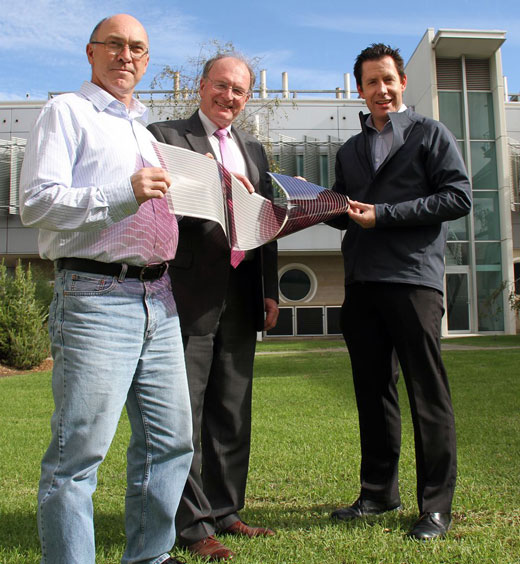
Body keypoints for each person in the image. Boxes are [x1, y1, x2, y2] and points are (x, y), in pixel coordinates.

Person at [19, 14, 192, 564]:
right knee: (79, 456)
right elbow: (37, 203)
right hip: (94, 296)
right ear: (90, 53)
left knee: (170, 443)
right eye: (114, 45)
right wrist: (124, 192)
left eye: (138, 49)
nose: (127, 57)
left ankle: (150, 556)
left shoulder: (144, 131)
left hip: (159, 300)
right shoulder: (66, 112)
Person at [327, 43, 472, 540]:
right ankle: (377, 493)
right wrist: (308, 202)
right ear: (360, 89)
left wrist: (384, 215)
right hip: (362, 283)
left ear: (402, 82)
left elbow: (458, 197)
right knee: (372, 393)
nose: (380, 90)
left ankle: (435, 507)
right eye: (371, 82)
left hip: (413, 280)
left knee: (425, 393)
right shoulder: (349, 150)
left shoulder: (431, 134)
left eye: (388, 79)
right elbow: (342, 210)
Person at [148, 54, 279, 561]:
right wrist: (214, 179)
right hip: (187, 292)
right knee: (186, 412)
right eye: (221, 86)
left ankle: (226, 510)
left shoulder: (255, 149)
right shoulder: (166, 135)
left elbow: (264, 222)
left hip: (243, 295)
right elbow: (164, 197)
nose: (229, 97)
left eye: (239, 92)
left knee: (231, 407)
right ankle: (192, 523)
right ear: (202, 86)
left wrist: (269, 288)